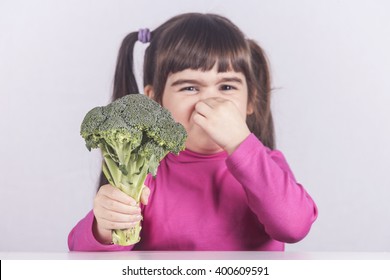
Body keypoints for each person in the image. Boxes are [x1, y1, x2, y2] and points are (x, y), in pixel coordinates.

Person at [68, 13, 318, 251]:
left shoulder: (267, 166)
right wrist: (104, 226)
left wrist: (242, 144)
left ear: (251, 101)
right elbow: (87, 256)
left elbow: (293, 227)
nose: (209, 102)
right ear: (155, 102)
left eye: (227, 86)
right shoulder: (143, 171)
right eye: (189, 88)